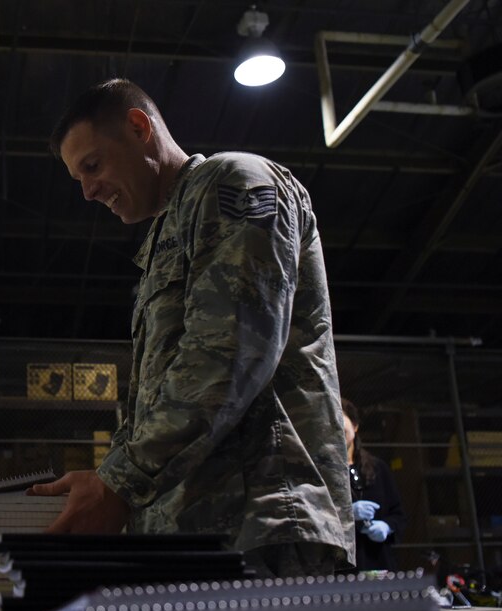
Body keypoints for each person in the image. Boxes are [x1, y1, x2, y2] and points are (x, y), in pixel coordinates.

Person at [29, 78, 355, 578]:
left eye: (92, 166)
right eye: (78, 180)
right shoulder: (167, 232)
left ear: (139, 128)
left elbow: (228, 353)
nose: (89, 191)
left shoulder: (234, 183)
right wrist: (109, 477)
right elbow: (160, 394)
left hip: (262, 525)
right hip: (198, 531)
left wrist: (118, 481)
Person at [342, 398, 405, 571]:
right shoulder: (323, 472)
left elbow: (398, 515)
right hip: (343, 568)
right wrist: (347, 514)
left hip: (379, 563)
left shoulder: (378, 468)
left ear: (355, 425)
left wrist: (387, 527)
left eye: (340, 418)